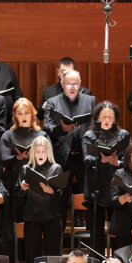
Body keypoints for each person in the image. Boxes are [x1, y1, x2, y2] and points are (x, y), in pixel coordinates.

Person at [0, 98, 47, 254]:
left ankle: (31, 257)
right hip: (13, 181)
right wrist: (17, 158)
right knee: (12, 221)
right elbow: (3, 158)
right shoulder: (8, 134)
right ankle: (13, 260)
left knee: (32, 221)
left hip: (34, 181)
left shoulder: (41, 134)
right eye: (20, 113)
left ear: (32, 114)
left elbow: (50, 159)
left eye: (26, 113)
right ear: (15, 116)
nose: (24, 116)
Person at [17, 135, 63, 263]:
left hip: (52, 218)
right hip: (32, 219)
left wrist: (53, 191)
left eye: (44, 151)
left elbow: (62, 195)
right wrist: (22, 189)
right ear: (33, 153)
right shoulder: (25, 169)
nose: (41, 154)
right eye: (37, 151)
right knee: (31, 261)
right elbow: (19, 198)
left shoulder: (56, 168)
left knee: (53, 259)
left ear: (48, 152)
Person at [82, 101, 130, 253]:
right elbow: (86, 158)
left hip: (116, 188)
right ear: (97, 118)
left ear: (115, 119)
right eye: (104, 117)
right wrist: (101, 160)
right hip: (97, 187)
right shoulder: (90, 135)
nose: (107, 120)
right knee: (95, 233)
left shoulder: (123, 135)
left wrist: (118, 162)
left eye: (110, 117)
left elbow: (130, 160)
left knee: (117, 231)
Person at [45, 69, 96, 201]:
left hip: (83, 154)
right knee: (60, 195)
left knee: (86, 195)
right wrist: (62, 129)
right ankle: (60, 221)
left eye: (75, 83)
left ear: (80, 84)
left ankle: (82, 221)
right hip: (62, 155)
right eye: (69, 83)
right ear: (62, 84)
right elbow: (47, 126)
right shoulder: (52, 102)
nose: (72, 87)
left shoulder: (90, 100)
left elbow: (96, 125)